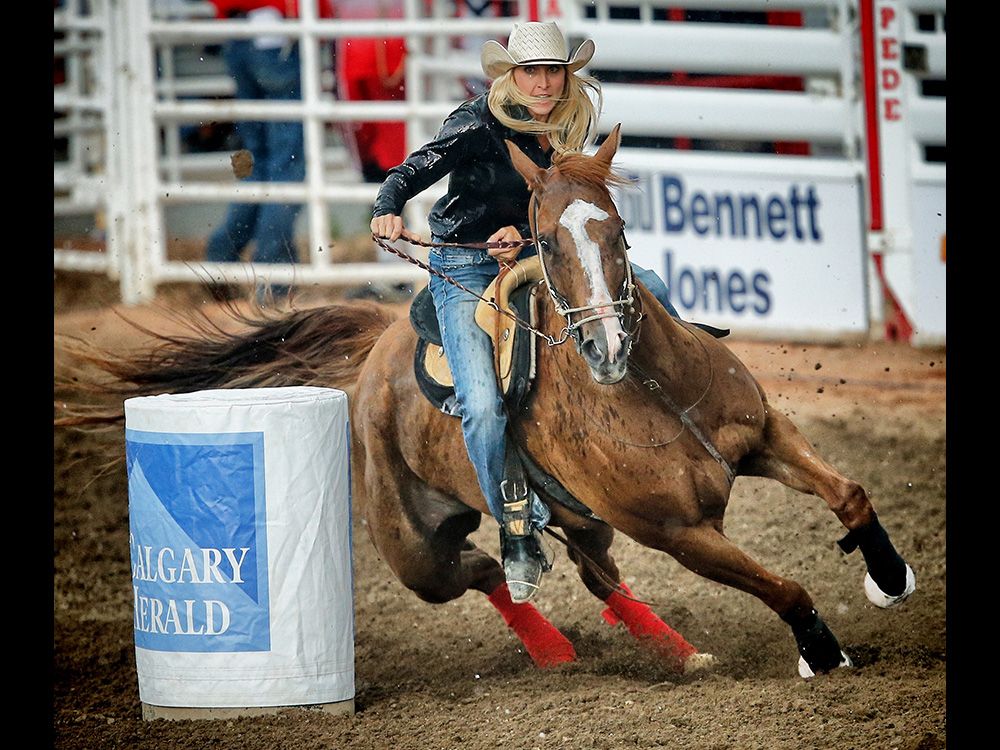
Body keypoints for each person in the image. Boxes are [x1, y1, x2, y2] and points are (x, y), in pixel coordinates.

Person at [370, 21, 682, 603]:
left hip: (542, 250)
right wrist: (387, 206)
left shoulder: (570, 124)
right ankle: (516, 528)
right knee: (482, 406)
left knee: (654, 289)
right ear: (512, 76)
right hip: (466, 264)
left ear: (566, 76)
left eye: (553, 72)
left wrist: (525, 234)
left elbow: (562, 202)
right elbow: (413, 170)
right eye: (531, 72)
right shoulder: (474, 123)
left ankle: (671, 409)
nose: (542, 83)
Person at [204, 1, 332, 303]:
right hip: (276, 32)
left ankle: (221, 258)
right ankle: (273, 276)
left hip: (240, 32)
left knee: (257, 161)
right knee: (286, 165)